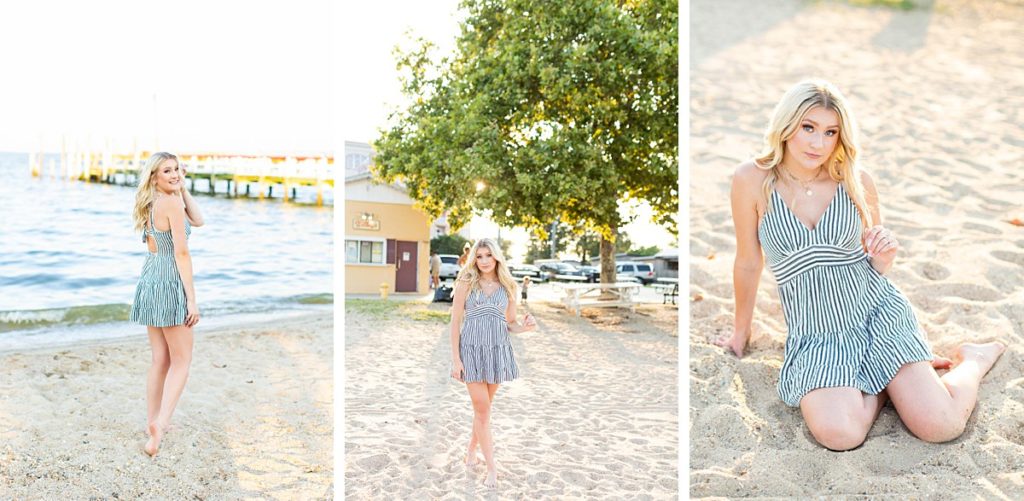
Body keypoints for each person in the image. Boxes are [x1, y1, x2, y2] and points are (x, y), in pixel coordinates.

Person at [715, 79, 1005, 451]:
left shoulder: (856, 181)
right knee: (839, 434)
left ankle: (974, 360)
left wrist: (883, 258)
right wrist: (742, 332)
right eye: (808, 128)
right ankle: (886, 385)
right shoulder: (751, 179)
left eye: (830, 132)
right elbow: (748, 262)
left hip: (876, 312)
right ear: (787, 126)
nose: (818, 143)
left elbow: (875, 263)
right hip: (819, 331)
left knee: (941, 425)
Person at [129, 152, 205, 456]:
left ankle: (153, 420)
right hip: (170, 280)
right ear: (154, 176)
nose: (174, 174)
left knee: (160, 359)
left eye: (177, 169)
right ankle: (159, 425)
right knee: (182, 361)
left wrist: (182, 186)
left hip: (150, 278)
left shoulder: (154, 201)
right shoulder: (171, 203)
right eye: (167, 171)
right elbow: (182, 254)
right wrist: (192, 300)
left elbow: (198, 219)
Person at [449, 238, 536, 488]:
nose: (484, 261)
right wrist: (456, 359)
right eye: (479, 256)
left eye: (489, 255)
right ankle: (492, 468)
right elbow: (455, 322)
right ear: (473, 258)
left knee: (482, 411)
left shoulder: (508, 286)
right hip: (471, 352)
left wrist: (526, 327)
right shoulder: (466, 282)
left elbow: (510, 323)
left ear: (496, 257)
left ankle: (470, 451)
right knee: (483, 411)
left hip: (497, 352)